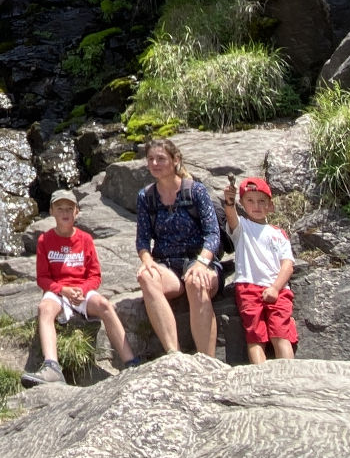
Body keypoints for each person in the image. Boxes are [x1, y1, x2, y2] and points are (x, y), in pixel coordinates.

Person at [23, 190, 137, 386]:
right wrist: (62, 290)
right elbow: (43, 278)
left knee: (105, 305)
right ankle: (51, 366)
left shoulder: (85, 239)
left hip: (81, 290)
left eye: (69, 209)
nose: (65, 213)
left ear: (77, 212)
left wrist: (82, 290)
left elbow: (95, 275)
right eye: (60, 209)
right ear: (51, 212)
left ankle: (131, 362)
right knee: (45, 309)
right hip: (58, 291)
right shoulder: (44, 240)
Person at [134, 137, 220, 358]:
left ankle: (206, 360)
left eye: (161, 158)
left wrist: (202, 263)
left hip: (198, 259)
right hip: (167, 264)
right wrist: (147, 262)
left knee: (195, 282)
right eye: (150, 159)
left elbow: (213, 233)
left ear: (176, 160)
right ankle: (175, 354)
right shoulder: (145, 197)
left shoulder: (196, 191)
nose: (155, 163)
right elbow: (143, 241)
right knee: (146, 277)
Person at [220, 173, 297, 364]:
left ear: (270, 205)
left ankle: (290, 376)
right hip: (248, 287)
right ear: (243, 204)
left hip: (277, 289)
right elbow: (231, 215)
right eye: (250, 201)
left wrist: (275, 288)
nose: (256, 206)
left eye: (262, 201)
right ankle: (261, 379)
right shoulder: (242, 227)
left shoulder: (279, 234)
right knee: (255, 335)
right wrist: (229, 202)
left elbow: (287, 265)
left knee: (281, 333)